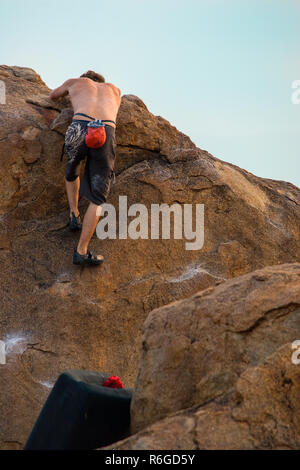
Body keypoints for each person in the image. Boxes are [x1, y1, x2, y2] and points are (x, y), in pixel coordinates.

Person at [49, 71, 121, 266]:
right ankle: (81, 250)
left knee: (72, 171)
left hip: (79, 126)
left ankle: (74, 214)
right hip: (104, 130)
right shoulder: (115, 90)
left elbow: (52, 96)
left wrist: (69, 94)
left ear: (85, 79)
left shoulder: (75, 82)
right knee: (98, 198)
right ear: (102, 82)